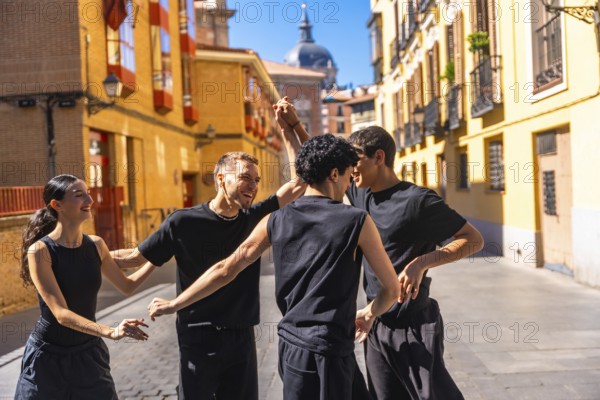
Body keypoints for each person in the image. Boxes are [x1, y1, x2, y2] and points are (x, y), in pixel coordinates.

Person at [147, 134, 407, 400]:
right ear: (333, 174)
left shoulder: (274, 221)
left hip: (292, 349)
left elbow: (225, 269)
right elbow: (390, 288)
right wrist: (370, 312)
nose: (349, 184)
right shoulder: (357, 221)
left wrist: (175, 303)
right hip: (329, 350)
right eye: (348, 176)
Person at [110, 98, 308, 400]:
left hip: (241, 336)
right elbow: (132, 258)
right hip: (197, 335)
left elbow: (299, 182)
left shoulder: (253, 216)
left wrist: (288, 129)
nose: (252, 186)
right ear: (221, 179)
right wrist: (80, 249)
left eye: (255, 180)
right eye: (244, 178)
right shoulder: (182, 221)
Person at [346, 126, 484, 400]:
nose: (350, 167)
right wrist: (293, 125)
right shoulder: (363, 194)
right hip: (375, 321)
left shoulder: (418, 200)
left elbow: (473, 239)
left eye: (356, 158)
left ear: (379, 157)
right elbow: (321, 161)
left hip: (413, 324)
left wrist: (421, 262)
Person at [14, 174, 156, 400]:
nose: (89, 200)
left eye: (88, 193)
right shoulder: (41, 251)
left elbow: (127, 286)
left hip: (88, 354)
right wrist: (111, 331)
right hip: (47, 358)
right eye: (79, 195)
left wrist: (156, 259)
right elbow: (61, 314)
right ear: (57, 205)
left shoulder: (96, 245)